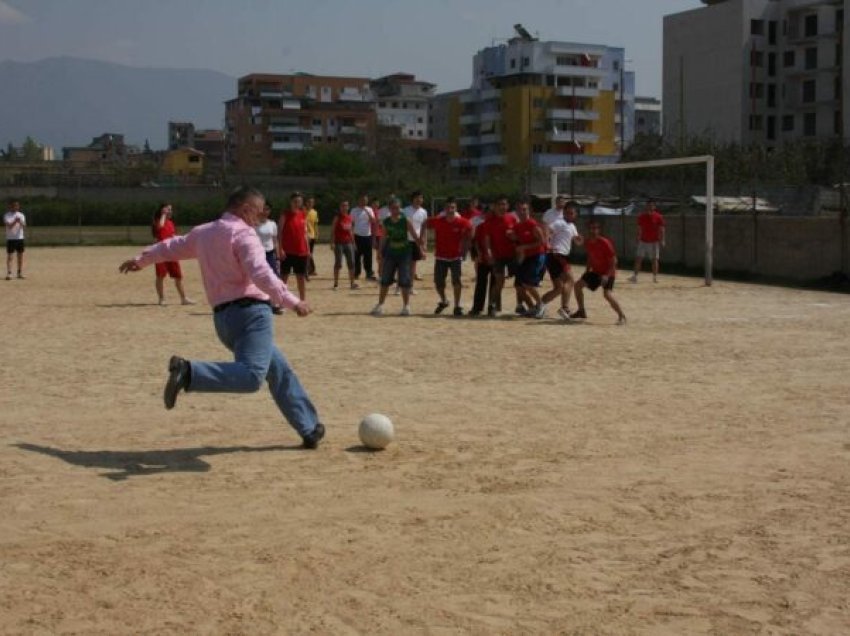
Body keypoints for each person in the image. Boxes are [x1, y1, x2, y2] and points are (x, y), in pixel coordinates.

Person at [118, 186, 325, 449]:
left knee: (278, 369)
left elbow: (172, 246)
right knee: (252, 377)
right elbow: (261, 274)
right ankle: (190, 373)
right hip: (252, 316)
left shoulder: (204, 232)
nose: (260, 218)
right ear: (246, 209)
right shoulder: (244, 235)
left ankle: (308, 428)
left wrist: (141, 259)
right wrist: (293, 301)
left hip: (224, 321)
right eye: (259, 213)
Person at [571, 220, 627, 325]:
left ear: (599, 230)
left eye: (596, 228)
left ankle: (621, 316)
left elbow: (614, 261)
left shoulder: (604, 242)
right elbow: (590, 257)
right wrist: (586, 271)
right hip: (596, 272)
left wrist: (606, 275)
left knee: (607, 294)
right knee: (577, 286)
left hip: (608, 272)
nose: (593, 231)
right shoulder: (587, 242)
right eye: (591, 228)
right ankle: (581, 311)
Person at [423, 197, 472, 316]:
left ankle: (457, 306)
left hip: (455, 257)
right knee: (438, 283)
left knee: (457, 281)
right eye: (448, 207)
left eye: (453, 207)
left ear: (456, 208)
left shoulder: (462, 222)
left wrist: (465, 250)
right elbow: (424, 223)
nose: (450, 210)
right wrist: (421, 239)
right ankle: (444, 300)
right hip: (441, 256)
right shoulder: (438, 221)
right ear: (444, 209)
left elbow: (469, 233)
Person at [371, 197, 420, 316]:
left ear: (400, 208)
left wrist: (421, 249)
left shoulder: (405, 220)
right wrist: (379, 252)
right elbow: (383, 237)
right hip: (391, 253)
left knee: (404, 280)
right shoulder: (386, 222)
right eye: (393, 208)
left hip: (404, 253)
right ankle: (380, 305)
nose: (395, 210)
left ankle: (406, 306)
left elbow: (414, 235)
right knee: (385, 279)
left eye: (397, 208)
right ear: (389, 208)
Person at [541, 200, 582, 321]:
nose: (569, 215)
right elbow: (547, 229)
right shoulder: (560, 223)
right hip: (557, 254)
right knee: (570, 280)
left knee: (558, 288)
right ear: (564, 213)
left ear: (576, 215)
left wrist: (579, 240)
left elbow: (576, 241)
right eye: (567, 212)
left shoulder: (572, 226)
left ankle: (541, 304)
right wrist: (547, 242)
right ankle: (564, 308)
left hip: (559, 256)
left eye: (572, 213)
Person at [509, 199, 547, 318]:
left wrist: (524, 247)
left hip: (536, 256)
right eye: (519, 209)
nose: (522, 212)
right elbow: (514, 237)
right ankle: (531, 307)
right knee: (518, 286)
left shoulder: (533, 224)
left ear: (529, 210)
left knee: (528, 283)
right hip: (525, 257)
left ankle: (541, 305)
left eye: (524, 209)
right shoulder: (517, 226)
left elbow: (542, 242)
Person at [151, 202, 194, 305]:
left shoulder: (170, 222)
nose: (170, 211)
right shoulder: (158, 221)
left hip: (172, 251)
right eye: (168, 209)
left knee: (178, 276)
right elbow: (160, 227)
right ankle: (161, 299)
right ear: (162, 210)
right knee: (160, 276)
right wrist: (163, 215)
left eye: (171, 210)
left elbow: (172, 235)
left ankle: (183, 298)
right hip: (160, 251)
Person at [481, 195, 517, 317]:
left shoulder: (512, 219)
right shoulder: (489, 221)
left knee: (521, 282)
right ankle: (492, 304)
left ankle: (521, 305)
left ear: (507, 206)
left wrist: (514, 237)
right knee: (499, 282)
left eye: (504, 204)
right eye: (500, 204)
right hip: (498, 256)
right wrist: (489, 253)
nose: (502, 207)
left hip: (513, 255)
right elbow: (487, 240)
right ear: (494, 207)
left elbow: (518, 236)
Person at [278, 192, 310, 300]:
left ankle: (302, 300)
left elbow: (305, 233)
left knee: (300, 277)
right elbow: (279, 233)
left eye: (299, 202)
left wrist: (308, 249)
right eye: (295, 201)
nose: (297, 203)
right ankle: (281, 301)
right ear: (290, 202)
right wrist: (280, 249)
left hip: (301, 251)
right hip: (287, 251)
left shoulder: (303, 214)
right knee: (284, 277)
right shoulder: (285, 214)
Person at [255, 202, 283, 314]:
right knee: (258, 279)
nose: (265, 211)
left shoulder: (272, 224)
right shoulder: (254, 224)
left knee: (274, 279)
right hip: (258, 254)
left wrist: (278, 255)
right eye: (263, 209)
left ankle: (273, 304)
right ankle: (259, 303)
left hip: (270, 253)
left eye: (267, 209)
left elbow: (275, 240)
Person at [629, 198, 665, 283]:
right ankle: (634, 276)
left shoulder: (658, 216)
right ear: (646, 206)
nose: (650, 207)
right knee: (638, 258)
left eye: (652, 205)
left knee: (654, 259)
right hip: (643, 241)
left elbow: (662, 229)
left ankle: (655, 277)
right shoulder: (642, 216)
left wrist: (662, 239)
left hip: (654, 241)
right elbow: (639, 228)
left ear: (654, 206)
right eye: (649, 205)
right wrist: (638, 237)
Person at [469, 204, 495, 316]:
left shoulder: (497, 226)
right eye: (486, 213)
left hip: (496, 259)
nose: (488, 215)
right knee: (481, 284)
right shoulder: (480, 226)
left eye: (490, 213)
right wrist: (478, 255)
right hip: (483, 259)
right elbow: (476, 242)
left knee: (495, 284)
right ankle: (477, 307)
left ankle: (492, 307)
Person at [330, 199, 358, 290]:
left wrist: (354, 243)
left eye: (346, 205)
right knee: (338, 263)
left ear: (348, 207)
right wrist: (332, 242)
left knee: (352, 263)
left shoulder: (350, 217)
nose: (344, 207)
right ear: (340, 207)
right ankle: (336, 283)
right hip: (339, 243)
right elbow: (333, 230)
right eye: (343, 205)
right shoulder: (337, 217)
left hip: (348, 242)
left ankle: (352, 283)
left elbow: (351, 231)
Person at [402, 191, 428, 286]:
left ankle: (410, 286)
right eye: (417, 197)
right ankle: (399, 286)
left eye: (421, 198)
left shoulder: (424, 212)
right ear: (412, 199)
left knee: (413, 264)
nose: (419, 200)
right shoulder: (405, 210)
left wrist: (424, 243)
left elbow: (424, 228)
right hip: (406, 240)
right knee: (403, 264)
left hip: (416, 242)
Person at [351, 194, 376, 281]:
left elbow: (373, 221)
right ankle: (356, 273)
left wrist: (368, 212)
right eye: (362, 200)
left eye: (365, 200)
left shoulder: (370, 209)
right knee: (357, 255)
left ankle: (369, 273)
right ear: (358, 200)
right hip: (357, 235)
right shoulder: (354, 210)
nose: (363, 202)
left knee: (368, 256)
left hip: (367, 236)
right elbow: (352, 223)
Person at [4, 200, 26, 280]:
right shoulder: (7, 215)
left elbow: (24, 225)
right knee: (10, 256)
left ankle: (19, 272)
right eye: (13, 206)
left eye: (17, 206)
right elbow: (9, 226)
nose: (15, 207)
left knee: (20, 256)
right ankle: (9, 273)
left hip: (20, 238)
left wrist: (20, 222)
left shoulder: (21, 215)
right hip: (11, 238)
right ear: (10, 206)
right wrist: (15, 221)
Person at [304, 196, 319, 278]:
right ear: (306, 203)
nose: (310, 204)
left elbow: (315, 224)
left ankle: (310, 269)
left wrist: (317, 233)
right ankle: (308, 269)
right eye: (308, 202)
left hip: (312, 235)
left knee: (310, 253)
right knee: (306, 253)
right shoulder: (303, 211)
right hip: (304, 235)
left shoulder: (314, 212)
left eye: (312, 202)